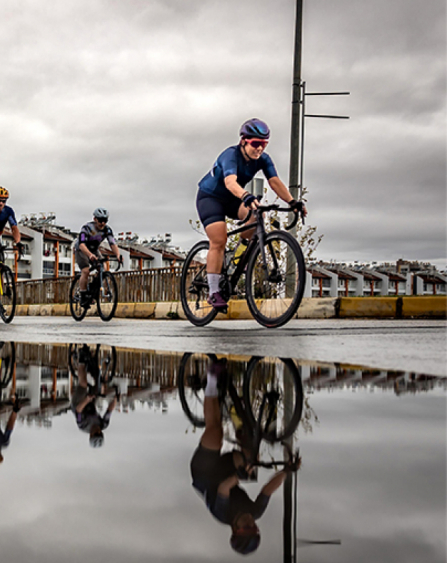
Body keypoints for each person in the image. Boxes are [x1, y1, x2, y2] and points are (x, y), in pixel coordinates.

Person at [190, 357, 299, 555]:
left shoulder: (222, 514)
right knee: (251, 457)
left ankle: (212, 379)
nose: (250, 522)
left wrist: (238, 476)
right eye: (254, 527)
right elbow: (267, 490)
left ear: (234, 528)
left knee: (215, 432)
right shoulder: (255, 512)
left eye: (246, 527)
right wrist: (287, 471)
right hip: (228, 472)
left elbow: (224, 488)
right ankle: (239, 419)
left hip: (204, 473)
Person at [196, 118, 307, 312]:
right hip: (210, 198)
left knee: (257, 217)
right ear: (243, 141)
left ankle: (240, 257)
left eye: (264, 144)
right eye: (256, 144)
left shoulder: (263, 159)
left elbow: (274, 182)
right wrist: (246, 195)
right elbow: (230, 182)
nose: (260, 149)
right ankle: (213, 291)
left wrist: (292, 202)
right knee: (219, 239)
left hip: (232, 199)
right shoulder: (230, 155)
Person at [71, 345, 119, 448]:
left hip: (79, 404)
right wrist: (115, 400)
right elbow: (109, 411)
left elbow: (78, 410)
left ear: (90, 435)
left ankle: (82, 361)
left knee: (83, 384)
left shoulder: (82, 425)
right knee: (100, 386)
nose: (98, 431)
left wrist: (87, 399)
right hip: (91, 404)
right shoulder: (103, 425)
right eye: (100, 433)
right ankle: (95, 366)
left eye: (96, 434)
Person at [74, 208, 123, 306]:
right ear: (95, 219)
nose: (103, 223)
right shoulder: (87, 228)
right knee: (86, 270)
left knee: (103, 268)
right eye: (100, 220)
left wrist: (118, 255)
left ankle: (93, 289)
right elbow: (82, 245)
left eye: (105, 221)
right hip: (81, 249)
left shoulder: (107, 230)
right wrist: (90, 255)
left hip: (94, 249)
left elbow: (112, 244)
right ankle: (83, 295)